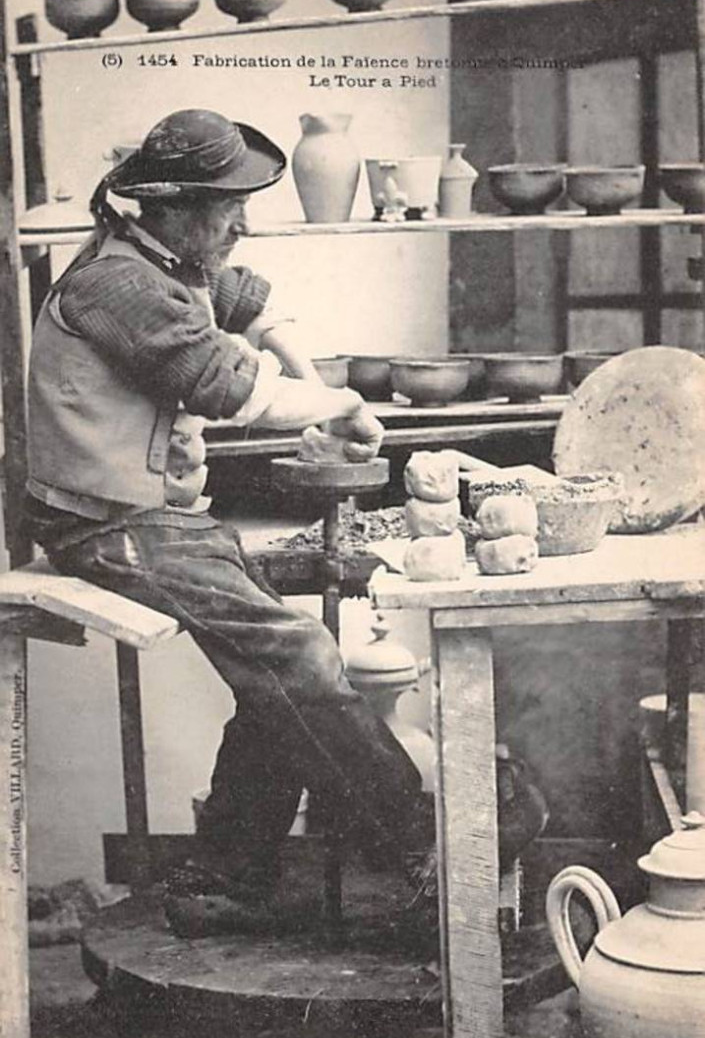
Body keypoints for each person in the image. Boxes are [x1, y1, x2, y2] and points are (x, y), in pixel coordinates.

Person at [25, 108, 546, 936]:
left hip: (156, 515)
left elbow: (255, 313)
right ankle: (415, 840)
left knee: (275, 675)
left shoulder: (173, 257)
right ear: (171, 205)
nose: (241, 223)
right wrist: (337, 402)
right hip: (101, 524)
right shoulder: (116, 283)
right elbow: (229, 386)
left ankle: (224, 880)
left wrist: (322, 393)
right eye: (226, 206)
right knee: (296, 650)